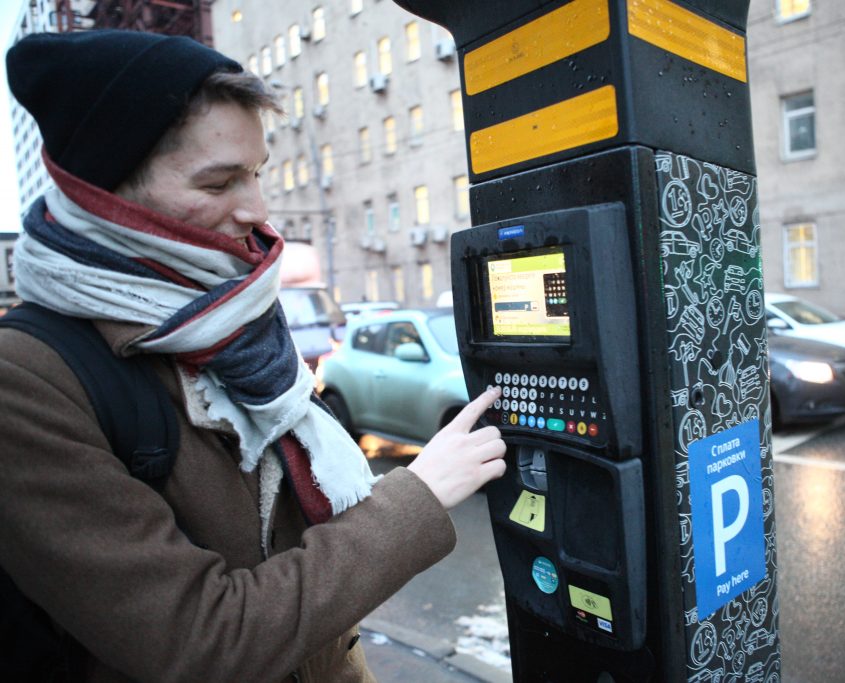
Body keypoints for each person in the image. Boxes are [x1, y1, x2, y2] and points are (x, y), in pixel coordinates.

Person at [0, 29, 506, 682]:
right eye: (220, 182)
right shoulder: (28, 381)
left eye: (257, 173)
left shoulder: (233, 320)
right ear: (106, 194)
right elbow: (198, 641)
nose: (258, 211)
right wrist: (418, 495)